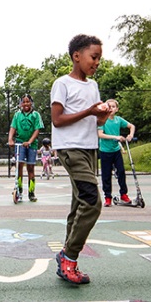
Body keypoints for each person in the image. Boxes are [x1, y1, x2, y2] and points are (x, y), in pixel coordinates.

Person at [50, 34, 112, 285]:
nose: (97, 62)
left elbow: (96, 121)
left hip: (89, 148)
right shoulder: (62, 84)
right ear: (77, 56)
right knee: (92, 201)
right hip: (70, 148)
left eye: (99, 58)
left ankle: (67, 258)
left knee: (79, 204)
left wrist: (105, 114)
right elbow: (57, 119)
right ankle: (69, 256)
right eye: (93, 57)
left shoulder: (93, 86)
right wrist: (88, 110)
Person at [97, 99, 135, 206]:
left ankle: (123, 194)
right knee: (106, 174)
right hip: (105, 151)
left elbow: (132, 126)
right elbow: (100, 134)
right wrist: (115, 137)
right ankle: (107, 197)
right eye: (109, 106)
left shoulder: (118, 120)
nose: (111, 109)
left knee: (121, 172)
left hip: (116, 151)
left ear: (117, 109)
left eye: (113, 107)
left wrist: (130, 135)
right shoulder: (103, 120)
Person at [8, 94, 44, 202]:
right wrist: (10, 139)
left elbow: (37, 130)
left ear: (31, 103)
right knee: (19, 166)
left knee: (30, 168)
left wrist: (30, 141)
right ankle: (18, 190)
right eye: (23, 102)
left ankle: (31, 192)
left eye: (28, 102)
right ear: (20, 104)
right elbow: (13, 127)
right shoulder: (17, 115)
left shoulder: (35, 115)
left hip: (31, 145)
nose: (26, 104)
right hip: (19, 143)